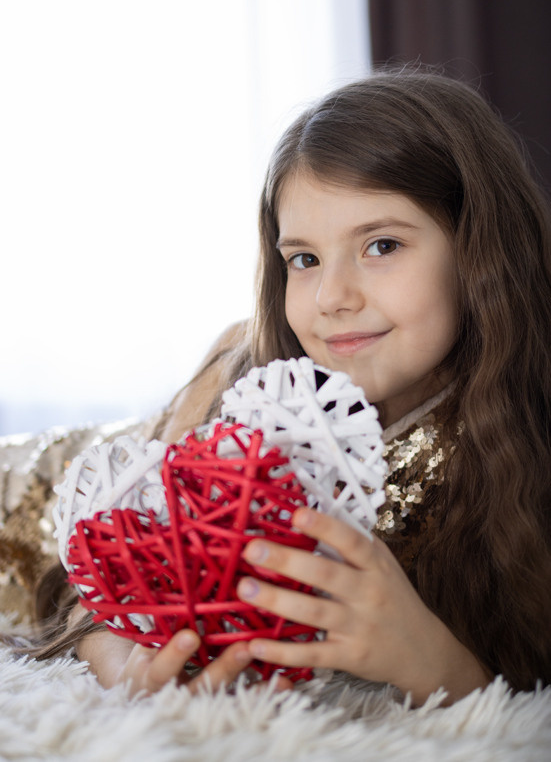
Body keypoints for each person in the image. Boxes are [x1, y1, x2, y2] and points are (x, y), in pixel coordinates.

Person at [30, 68, 551, 705]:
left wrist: (437, 661)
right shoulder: (242, 377)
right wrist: (120, 655)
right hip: (31, 487)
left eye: (381, 245)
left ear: (479, 249)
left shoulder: (526, 443)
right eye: (303, 259)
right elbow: (85, 574)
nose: (332, 297)